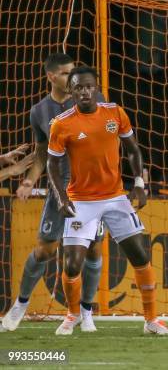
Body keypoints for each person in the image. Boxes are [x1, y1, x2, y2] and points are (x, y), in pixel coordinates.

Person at [47, 66, 168, 335]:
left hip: (115, 197)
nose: (84, 91)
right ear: (71, 91)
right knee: (71, 264)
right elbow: (52, 165)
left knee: (140, 254)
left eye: (88, 86)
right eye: (78, 87)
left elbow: (133, 150)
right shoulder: (62, 123)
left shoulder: (115, 113)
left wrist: (139, 184)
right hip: (80, 201)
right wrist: (60, 198)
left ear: (96, 87)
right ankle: (72, 315)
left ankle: (151, 320)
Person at [2, 54, 104, 333]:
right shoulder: (39, 111)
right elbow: (40, 153)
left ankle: (86, 312)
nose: (72, 79)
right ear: (51, 77)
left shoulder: (90, 98)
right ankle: (20, 304)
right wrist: (28, 181)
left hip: (93, 187)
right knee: (46, 249)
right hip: (61, 188)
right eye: (65, 74)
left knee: (93, 249)